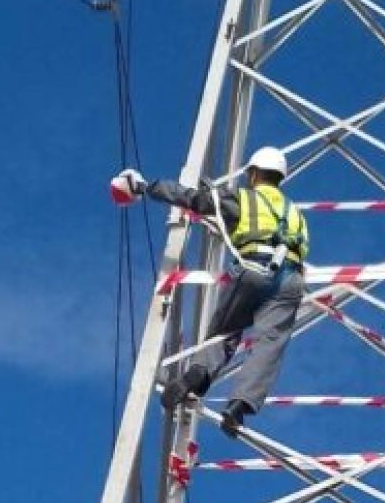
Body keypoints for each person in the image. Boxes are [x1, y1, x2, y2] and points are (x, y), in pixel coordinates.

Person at [112, 146, 309, 437]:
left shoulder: (245, 198)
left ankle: (196, 375)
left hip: (253, 268)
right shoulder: (295, 214)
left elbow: (194, 200)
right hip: (290, 279)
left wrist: (143, 187)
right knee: (270, 343)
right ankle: (240, 405)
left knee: (225, 333)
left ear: (253, 174)